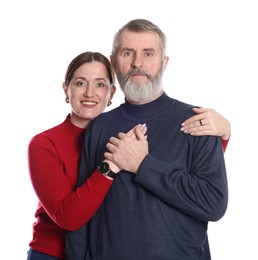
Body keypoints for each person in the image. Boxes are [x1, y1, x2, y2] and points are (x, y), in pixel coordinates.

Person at [66, 19, 228, 260]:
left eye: (148, 53)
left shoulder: (198, 121)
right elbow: (82, 215)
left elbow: (213, 204)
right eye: (127, 53)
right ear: (113, 62)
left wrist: (143, 165)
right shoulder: (99, 126)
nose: (137, 63)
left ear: (164, 63)